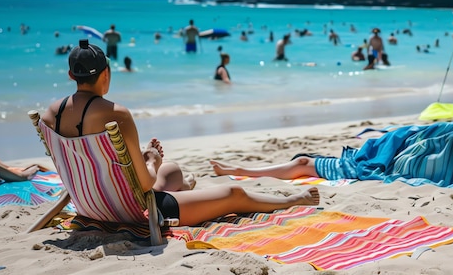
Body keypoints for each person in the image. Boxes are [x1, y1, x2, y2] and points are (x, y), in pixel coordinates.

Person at [40, 39, 319, 227]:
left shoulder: (51, 114)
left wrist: (154, 163)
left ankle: (184, 188)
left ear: (71, 75)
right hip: (135, 212)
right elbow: (147, 184)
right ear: (106, 73)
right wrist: (151, 161)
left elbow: (87, 158)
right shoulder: (116, 113)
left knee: (173, 171)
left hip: (90, 205)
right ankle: (291, 200)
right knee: (233, 193)